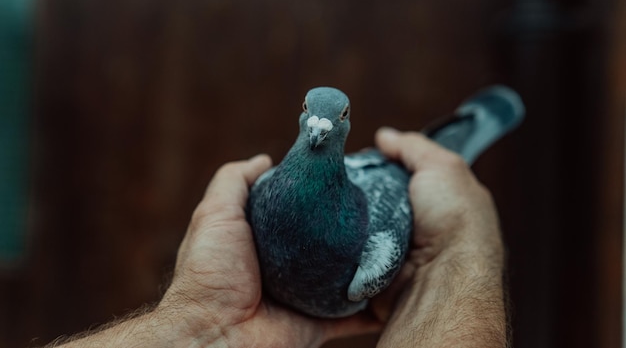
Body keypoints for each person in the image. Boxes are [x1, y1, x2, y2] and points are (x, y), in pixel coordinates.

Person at [47, 128, 508, 348]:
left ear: (343, 122)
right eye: (312, 114)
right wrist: (465, 248)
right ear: (305, 115)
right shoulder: (266, 187)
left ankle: (473, 126)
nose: (320, 127)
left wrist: (207, 331)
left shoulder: (377, 246)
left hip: (379, 178)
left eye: (335, 118)